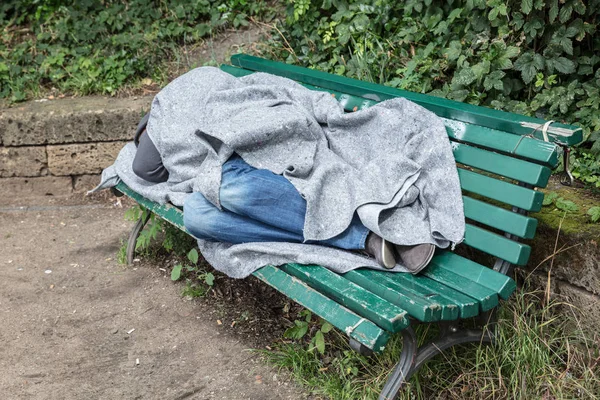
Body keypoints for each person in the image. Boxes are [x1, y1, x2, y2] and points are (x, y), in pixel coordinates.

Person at [131, 116, 435, 272]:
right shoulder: (164, 119)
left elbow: (146, 168)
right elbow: (153, 168)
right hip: (221, 168)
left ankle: (380, 226)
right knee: (197, 214)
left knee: (230, 188)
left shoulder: (174, 99)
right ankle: (360, 237)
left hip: (263, 150)